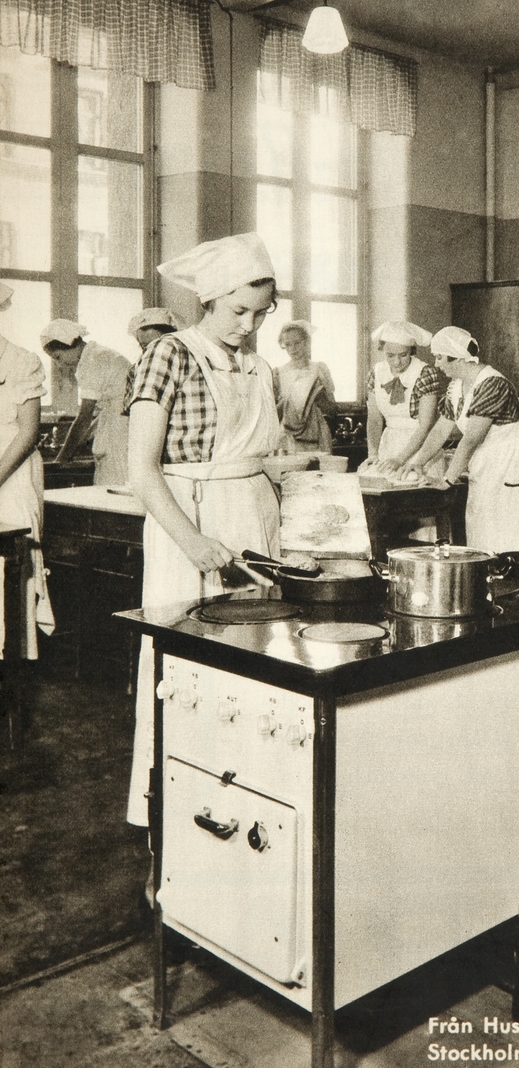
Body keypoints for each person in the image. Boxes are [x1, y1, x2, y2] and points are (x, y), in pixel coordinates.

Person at [125, 232, 281, 827]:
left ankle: (254, 799)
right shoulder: (169, 354)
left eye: (261, 313)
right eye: (239, 311)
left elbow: (259, 456)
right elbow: (142, 468)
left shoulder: (259, 366)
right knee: (187, 663)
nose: (248, 325)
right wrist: (191, 541)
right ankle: (173, 811)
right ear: (210, 298)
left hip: (254, 518)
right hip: (190, 522)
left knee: (257, 654)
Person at [405, 326, 519, 553]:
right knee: (485, 525)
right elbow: (440, 430)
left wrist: (447, 480)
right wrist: (417, 462)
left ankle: (517, 571)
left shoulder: (492, 384)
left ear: (457, 357)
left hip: (514, 460)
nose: (436, 364)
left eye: (439, 357)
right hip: (488, 460)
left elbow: (471, 439)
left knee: (512, 528)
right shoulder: (456, 386)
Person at [0, 283, 54, 661]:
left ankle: (12, 667)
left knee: (11, 578)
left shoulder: (21, 361)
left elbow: (28, 431)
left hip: (12, 476)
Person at [40, 320, 131, 486]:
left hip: (119, 432)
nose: (59, 364)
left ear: (69, 344)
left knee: (115, 485)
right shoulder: (100, 353)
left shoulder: (92, 361)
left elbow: (84, 417)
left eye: (58, 357)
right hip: (123, 426)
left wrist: (63, 457)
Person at [364, 321, 441, 477]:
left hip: (420, 449)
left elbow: (425, 425)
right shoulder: (376, 373)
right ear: (382, 350)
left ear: (411, 350)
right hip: (388, 446)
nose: (397, 362)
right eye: (390, 355)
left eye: (403, 355)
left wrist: (400, 459)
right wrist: (373, 454)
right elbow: (374, 420)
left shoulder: (425, 373)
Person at [273, 320, 335, 454]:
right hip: (287, 436)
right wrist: (285, 405)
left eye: (297, 343)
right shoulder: (278, 373)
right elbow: (271, 413)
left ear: (307, 342)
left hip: (316, 435)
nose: (292, 348)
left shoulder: (319, 369)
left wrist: (319, 399)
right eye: (288, 344)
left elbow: (332, 410)